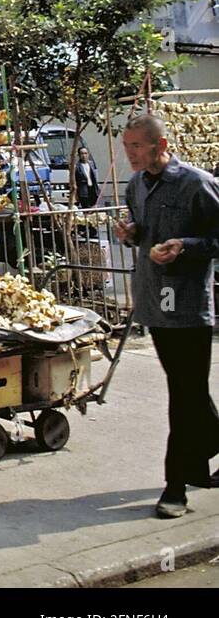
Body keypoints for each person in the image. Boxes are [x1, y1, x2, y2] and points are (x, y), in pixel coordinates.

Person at [113, 112, 219, 518]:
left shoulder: (197, 183)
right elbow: (143, 228)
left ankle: (176, 486)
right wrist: (133, 235)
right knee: (188, 387)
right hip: (156, 300)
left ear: (159, 145)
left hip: (189, 303)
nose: (131, 154)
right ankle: (203, 454)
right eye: (126, 147)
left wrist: (185, 246)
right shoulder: (136, 186)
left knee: (183, 396)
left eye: (137, 146)